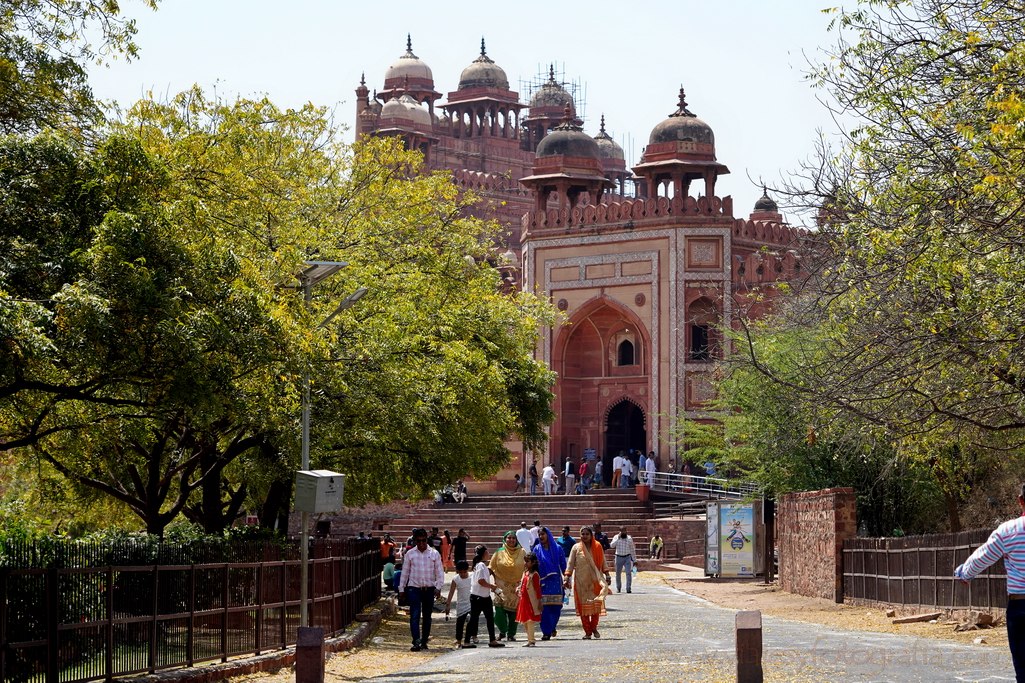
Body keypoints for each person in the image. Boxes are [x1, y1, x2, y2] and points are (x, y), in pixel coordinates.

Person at [955, 484, 1025, 679]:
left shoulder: (1009, 530)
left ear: (1020, 500)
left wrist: (965, 573)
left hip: (1021, 606)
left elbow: (984, 556)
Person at [397, 528, 445, 651]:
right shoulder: (410, 554)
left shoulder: (434, 553)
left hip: (429, 589)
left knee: (427, 616)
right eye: (419, 541)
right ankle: (416, 641)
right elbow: (405, 573)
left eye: (424, 541)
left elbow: (439, 572)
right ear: (415, 541)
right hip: (414, 588)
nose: (422, 544)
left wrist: (438, 587)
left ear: (426, 540)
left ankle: (424, 640)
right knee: (415, 615)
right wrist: (401, 589)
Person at [563, 526, 609, 639]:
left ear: (591, 535)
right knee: (583, 607)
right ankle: (587, 631)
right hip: (581, 582)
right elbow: (570, 563)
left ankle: (594, 627)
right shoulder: (576, 547)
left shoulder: (598, 546)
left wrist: (607, 574)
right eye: (582, 534)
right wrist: (566, 577)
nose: (584, 536)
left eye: (586, 534)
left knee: (595, 605)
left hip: (595, 581)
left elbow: (603, 561)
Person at [464, 545, 505, 649]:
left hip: (483, 596)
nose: (488, 554)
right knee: (474, 618)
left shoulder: (480, 566)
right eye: (487, 552)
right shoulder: (481, 565)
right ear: (483, 554)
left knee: (489, 618)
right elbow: (481, 581)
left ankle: (492, 639)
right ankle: (467, 640)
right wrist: (491, 586)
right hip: (479, 597)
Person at [490, 531, 526, 641]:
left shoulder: (522, 552)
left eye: (513, 538)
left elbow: (527, 567)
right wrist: (492, 583)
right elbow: (491, 568)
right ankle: (502, 630)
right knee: (499, 612)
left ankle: (511, 634)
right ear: (505, 539)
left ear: (516, 540)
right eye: (509, 538)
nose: (511, 540)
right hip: (501, 586)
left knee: (513, 613)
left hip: (516, 586)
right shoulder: (498, 552)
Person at [533, 526, 567, 641]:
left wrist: (567, 578)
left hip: (556, 582)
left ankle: (552, 626)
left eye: (543, 534)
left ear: (548, 535)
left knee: (556, 608)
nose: (541, 536)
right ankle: (546, 632)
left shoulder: (558, 549)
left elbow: (563, 565)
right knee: (545, 609)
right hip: (543, 582)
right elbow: (532, 565)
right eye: (539, 535)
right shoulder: (536, 549)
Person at [515, 552, 543, 646]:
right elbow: (522, 584)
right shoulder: (525, 573)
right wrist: (518, 589)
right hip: (524, 600)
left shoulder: (535, 575)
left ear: (533, 562)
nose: (525, 563)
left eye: (528, 561)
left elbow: (537, 589)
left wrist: (539, 601)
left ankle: (531, 640)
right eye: (525, 561)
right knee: (525, 621)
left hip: (531, 600)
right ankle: (529, 639)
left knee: (530, 620)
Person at [444, 560, 472, 647]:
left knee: (471, 622)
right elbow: (451, 592)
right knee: (460, 623)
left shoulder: (472, 577)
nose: (463, 574)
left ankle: (467, 640)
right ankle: (459, 640)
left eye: (465, 572)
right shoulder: (456, 579)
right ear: (457, 571)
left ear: (468, 570)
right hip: (461, 604)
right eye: (461, 572)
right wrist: (448, 604)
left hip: (471, 603)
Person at [611, 526, 636, 593]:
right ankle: (618, 588)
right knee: (618, 573)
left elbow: (632, 550)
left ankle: (628, 588)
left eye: (624, 531)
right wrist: (618, 539)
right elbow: (612, 545)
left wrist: (634, 560)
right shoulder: (616, 537)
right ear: (620, 531)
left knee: (628, 573)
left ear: (626, 531)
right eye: (622, 531)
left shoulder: (629, 538)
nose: (623, 532)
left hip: (627, 557)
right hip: (618, 557)